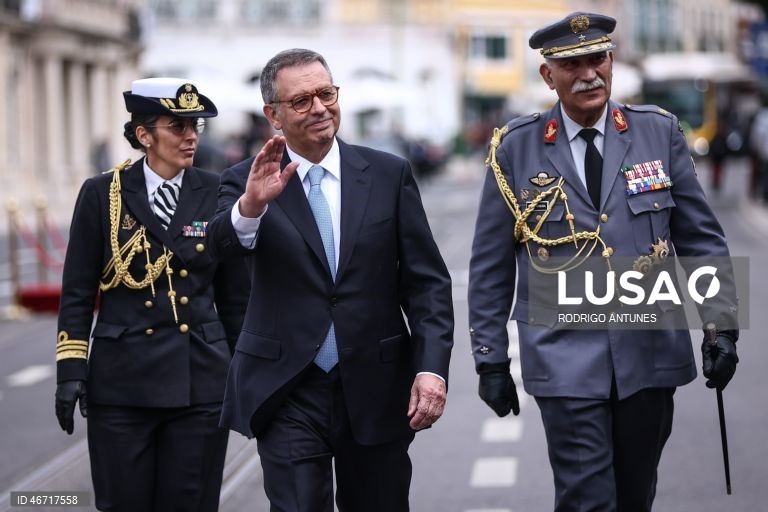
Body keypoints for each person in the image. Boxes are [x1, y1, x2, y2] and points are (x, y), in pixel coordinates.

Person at [468, 12, 739, 512]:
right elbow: (490, 264)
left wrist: (721, 327)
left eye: (597, 58)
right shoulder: (516, 149)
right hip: (563, 355)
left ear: (611, 61)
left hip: (649, 350)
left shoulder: (658, 133)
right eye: (572, 65)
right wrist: (490, 358)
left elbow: (700, 238)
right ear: (548, 75)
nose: (588, 73)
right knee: (587, 499)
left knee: (635, 497)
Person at [206, 48, 454, 511]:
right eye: (301, 101)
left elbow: (427, 284)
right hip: (287, 389)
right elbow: (218, 249)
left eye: (326, 93)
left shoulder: (387, 174)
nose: (320, 107)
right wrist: (251, 207)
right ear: (273, 116)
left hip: (377, 384)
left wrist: (431, 368)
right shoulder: (246, 181)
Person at [54, 77, 249, 512]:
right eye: (177, 126)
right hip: (122, 385)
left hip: (198, 382)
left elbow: (235, 298)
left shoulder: (217, 191)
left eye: (195, 125)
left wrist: (245, 376)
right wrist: (70, 371)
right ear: (144, 135)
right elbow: (79, 291)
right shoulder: (102, 193)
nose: (191, 135)